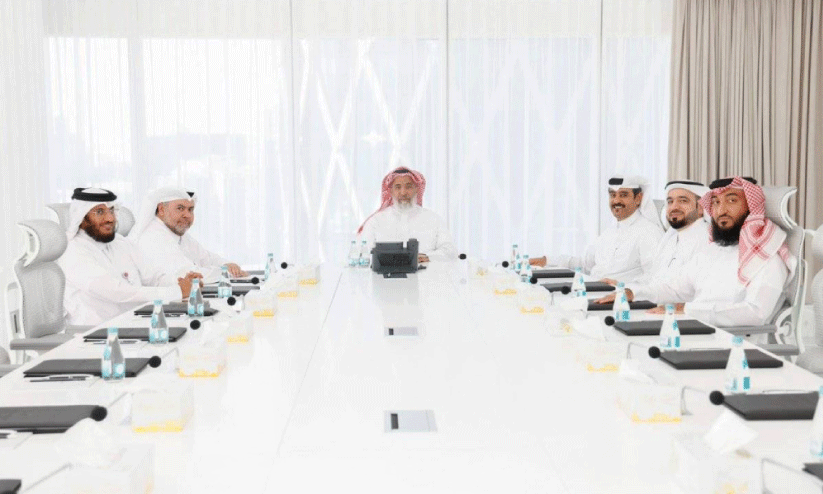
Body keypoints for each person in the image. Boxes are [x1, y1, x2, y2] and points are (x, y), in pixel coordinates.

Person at [598, 177, 796, 327]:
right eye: (716, 202)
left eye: (731, 200)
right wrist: (633, 292)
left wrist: (688, 310)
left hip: (735, 345)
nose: (721, 210)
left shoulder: (768, 256)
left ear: (752, 207)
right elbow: (675, 289)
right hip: (693, 330)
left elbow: (755, 313)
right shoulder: (713, 250)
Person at [58, 187, 198, 326]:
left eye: (111, 210)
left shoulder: (120, 242)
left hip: (134, 322)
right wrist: (176, 292)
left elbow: (154, 278)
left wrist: (182, 282)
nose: (110, 218)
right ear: (81, 218)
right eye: (99, 212)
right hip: (97, 331)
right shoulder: (72, 250)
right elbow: (116, 292)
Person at [530, 175, 663, 282]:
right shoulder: (610, 232)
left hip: (621, 300)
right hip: (594, 291)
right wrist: (546, 261)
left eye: (623, 195)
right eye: (612, 195)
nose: (616, 201)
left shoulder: (649, 232)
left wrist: (624, 286)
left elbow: (655, 278)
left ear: (638, 198)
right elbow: (585, 264)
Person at [129, 187, 246, 281]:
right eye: (180, 208)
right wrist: (227, 272)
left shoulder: (177, 233)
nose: (188, 215)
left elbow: (206, 258)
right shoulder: (153, 237)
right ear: (161, 210)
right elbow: (188, 274)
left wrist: (227, 264)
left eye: (190, 209)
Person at [358, 166, 457, 262]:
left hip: (427, 273)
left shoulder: (433, 219)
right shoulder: (376, 221)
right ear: (391, 191)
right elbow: (363, 253)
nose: (403, 192)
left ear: (417, 189)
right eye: (398, 187)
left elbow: (450, 251)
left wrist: (426, 257)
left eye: (408, 187)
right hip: (386, 273)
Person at [620, 180, 709, 285]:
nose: (674, 207)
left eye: (683, 201)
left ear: (700, 208)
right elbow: (654, 276)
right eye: (670, 202)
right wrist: (623, 286)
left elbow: (688, 287)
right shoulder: (671, 238)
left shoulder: (706, 240)